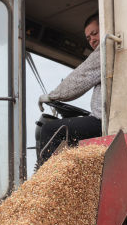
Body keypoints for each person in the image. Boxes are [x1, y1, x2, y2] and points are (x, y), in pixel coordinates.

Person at [36, 13, 103, 162]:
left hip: (102, 121)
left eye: (95, 33)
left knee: (49, 130)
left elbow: (79, 80)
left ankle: (47, 182)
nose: (92, 40)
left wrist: (51, 96)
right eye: (88, 38)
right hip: (104, 120)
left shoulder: (105, 50)